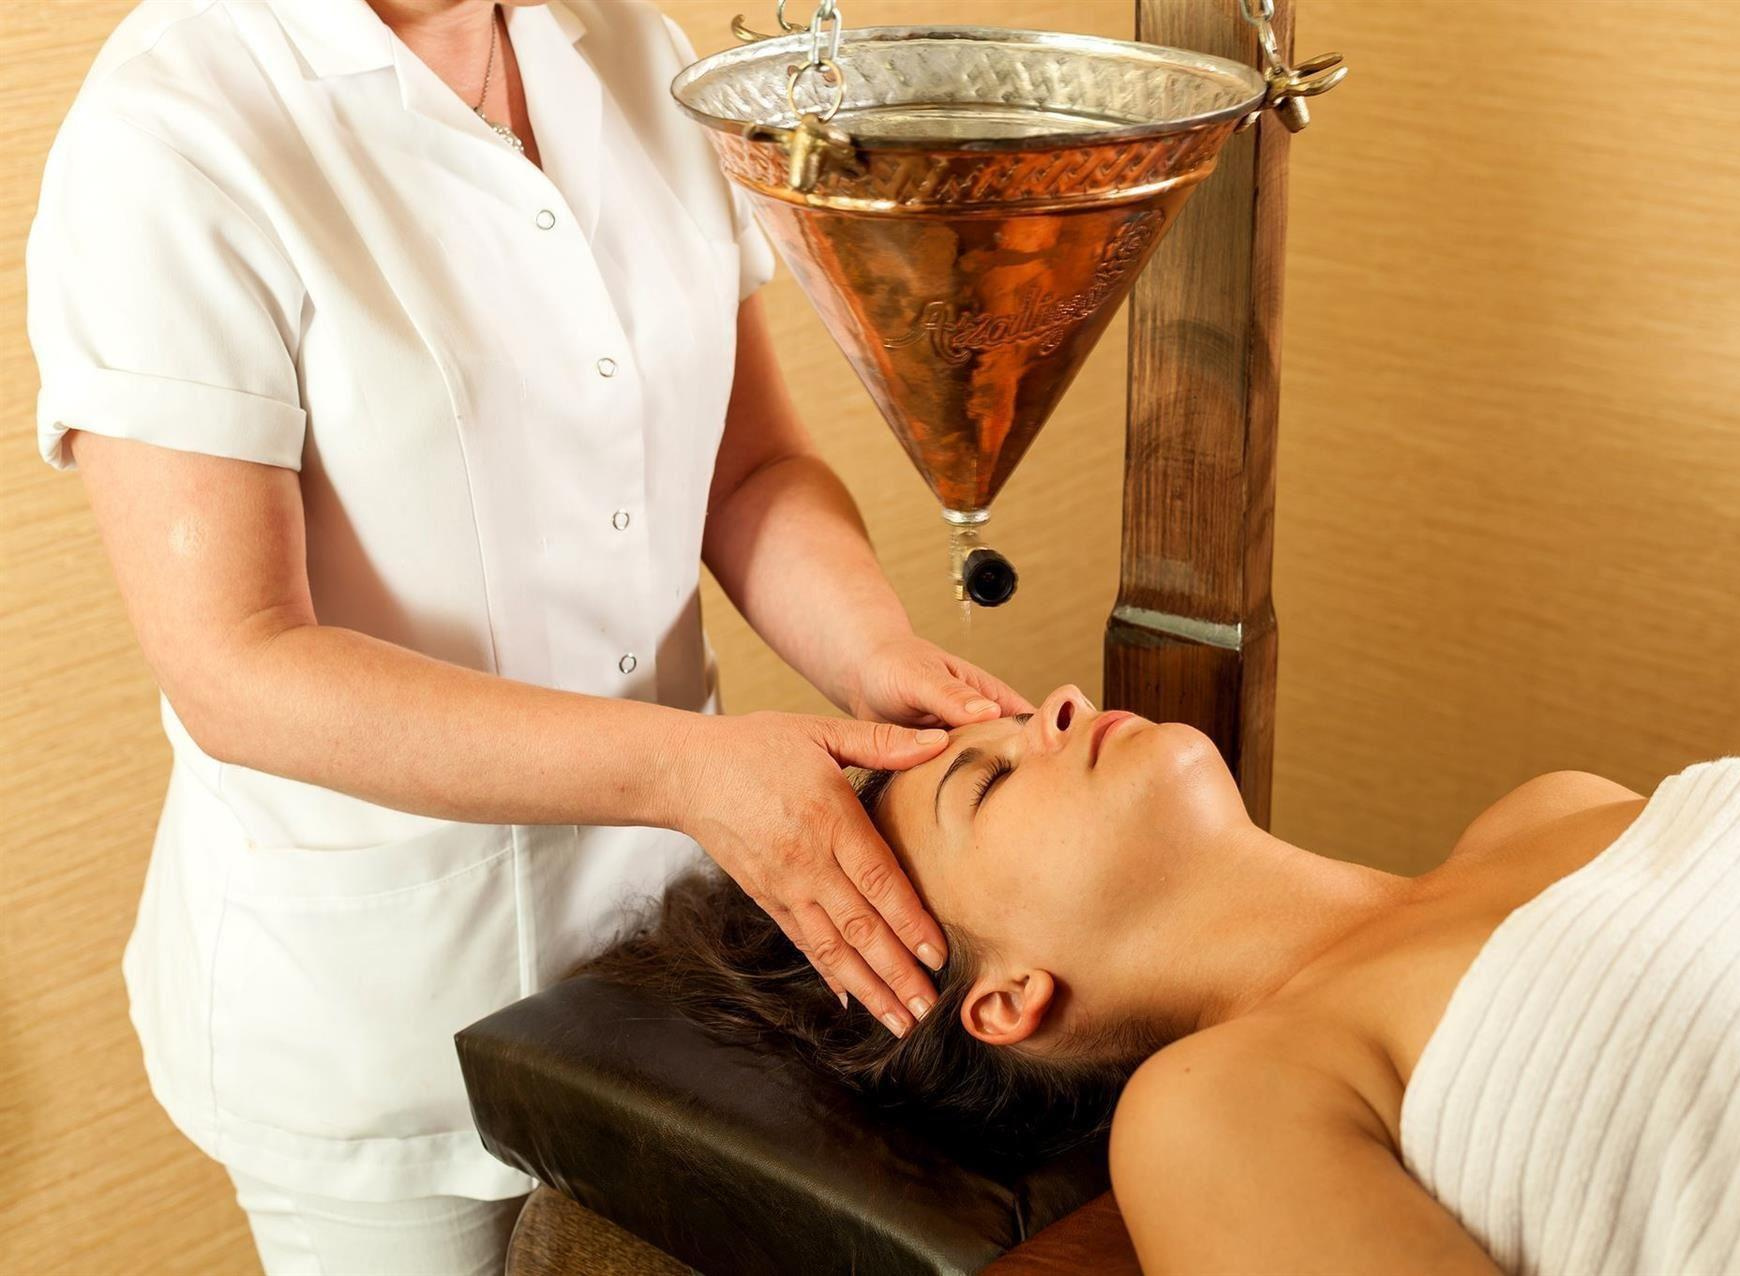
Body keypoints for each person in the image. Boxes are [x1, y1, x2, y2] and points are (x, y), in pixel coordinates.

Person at [25, 1, 1031, 1270]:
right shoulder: (173, 127)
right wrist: (686, 771)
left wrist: (871, 651)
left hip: (671, 972)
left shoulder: (635, 48)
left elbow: (749, 471)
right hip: (383, 1012)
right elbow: (237, 664)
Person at [588, 684, 1740, 1274]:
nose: (1057, 702)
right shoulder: (1218, 1109)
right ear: (1004, 999)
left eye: (1013, 721)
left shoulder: (1552, 805)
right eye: (989, 780)